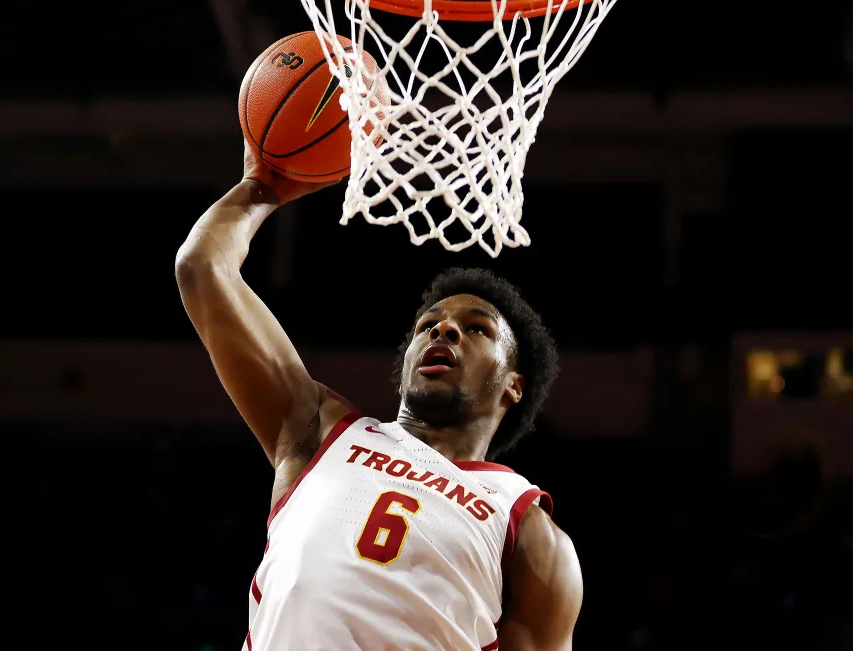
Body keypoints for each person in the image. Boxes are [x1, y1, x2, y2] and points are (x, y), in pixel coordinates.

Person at [175, 142, 582, 651]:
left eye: (475, 329)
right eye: (428, 325)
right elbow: (202, 269)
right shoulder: (318, 430)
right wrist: (261, 189)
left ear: (514, 384)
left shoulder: (528, 530)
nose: (444, 332)